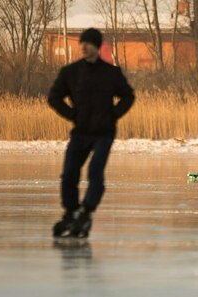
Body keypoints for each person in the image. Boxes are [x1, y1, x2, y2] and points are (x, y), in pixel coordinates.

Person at [48, 28, 135, 238]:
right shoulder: (71, 72)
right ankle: (71, 211)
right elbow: (54, 97)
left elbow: (128, 96)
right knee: (69, 173)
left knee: (95, 171)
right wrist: (72, 114)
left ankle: (86, 211)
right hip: (81, 132)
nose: (84, 47)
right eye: (82, 43)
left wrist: (113, 114)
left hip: (104, 132)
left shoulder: (111, 73)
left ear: (97, 47)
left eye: (88, 44)